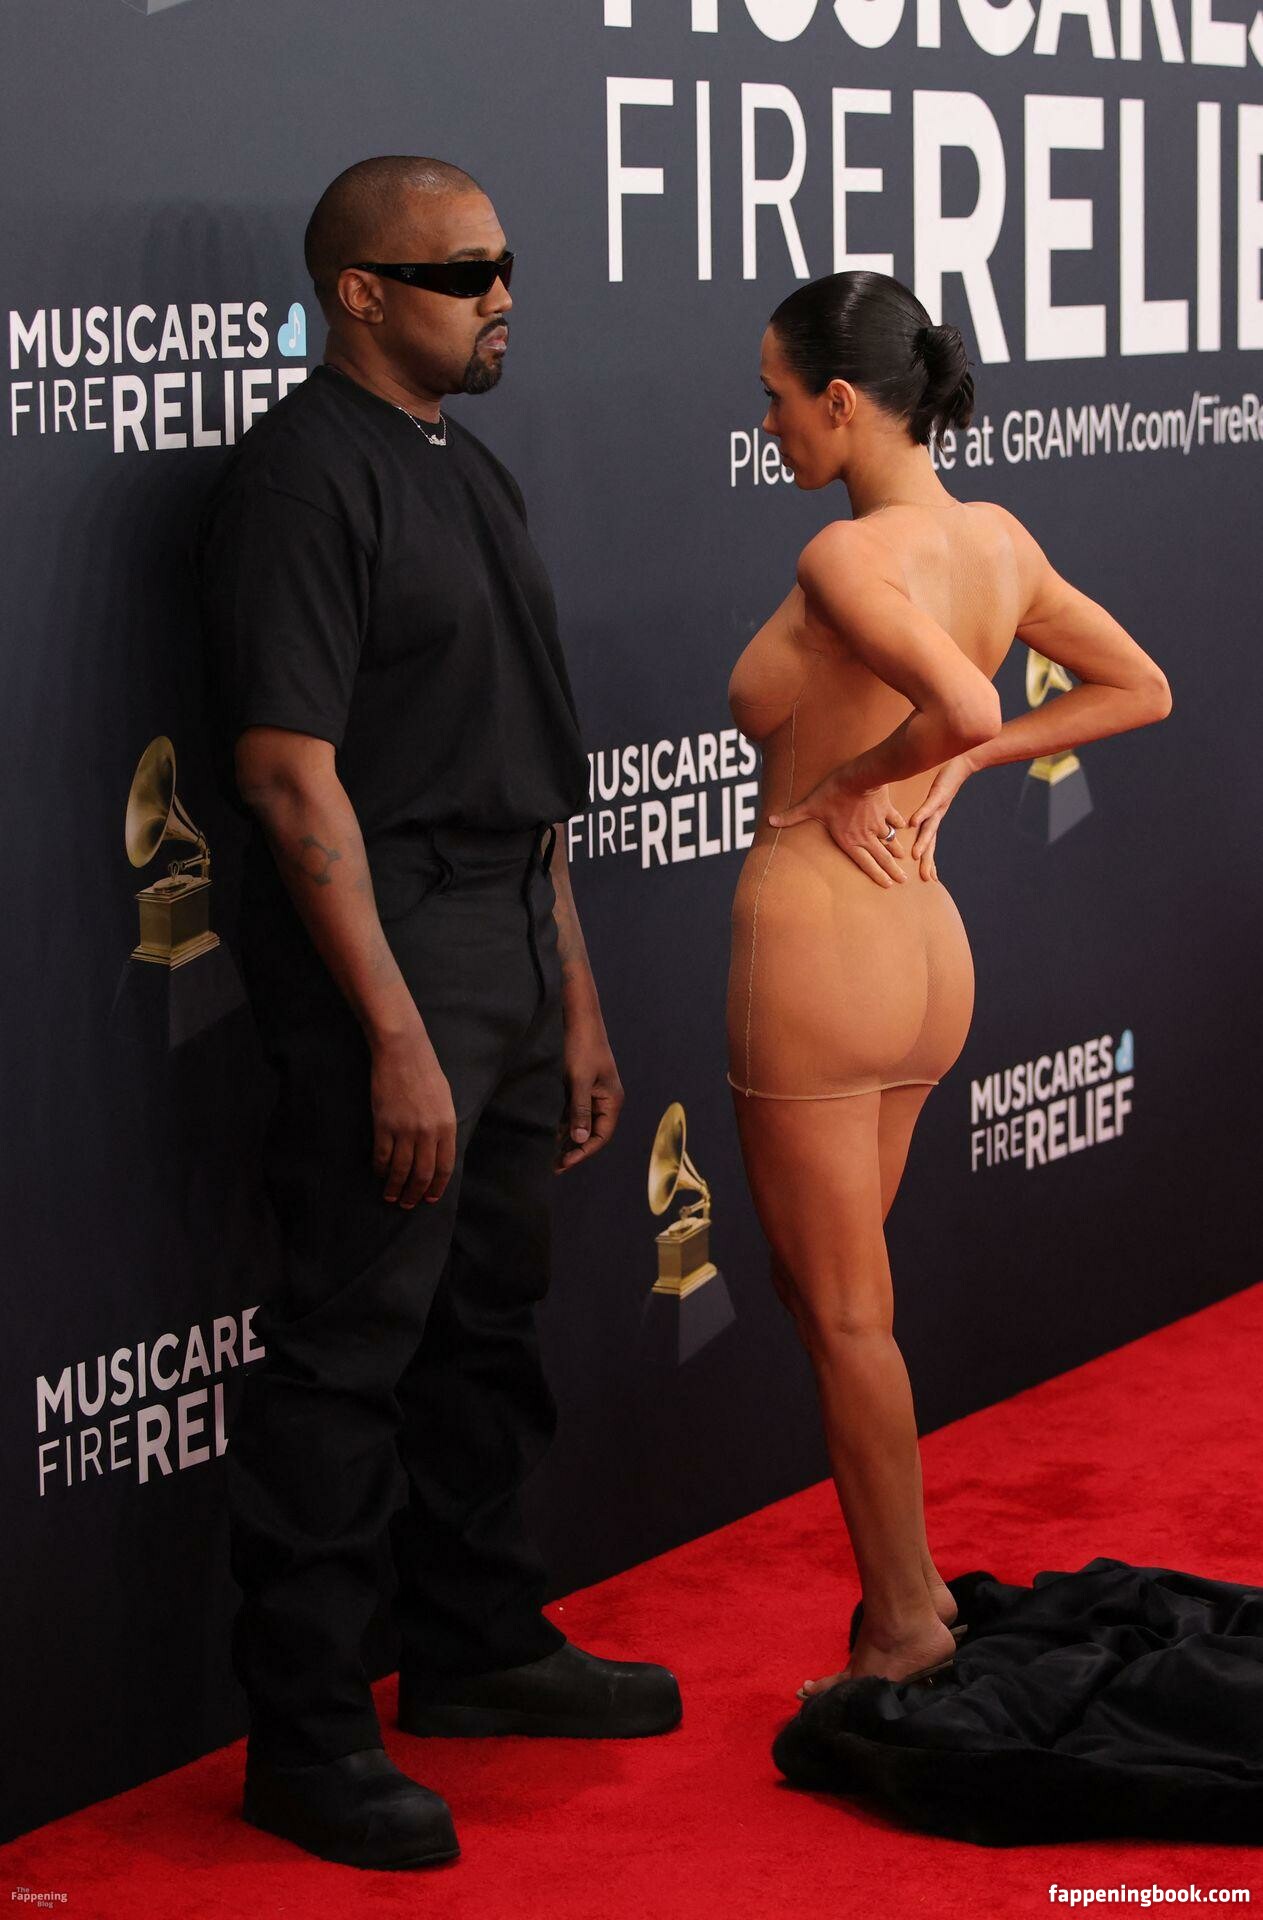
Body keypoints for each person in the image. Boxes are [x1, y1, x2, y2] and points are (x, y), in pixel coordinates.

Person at [194, 155, 681, 1874]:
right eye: (464, 272)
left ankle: (474, 1644)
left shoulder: (471, 470)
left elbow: (522, 774)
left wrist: (573, 999)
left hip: (510, 945)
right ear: (360, 294)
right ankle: (309, 1738)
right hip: (385, 954)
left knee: (488, 1322)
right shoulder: (298, 479)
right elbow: (286, 774)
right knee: (351, 1350)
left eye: (504, 265)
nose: (501, 297)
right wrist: (397, 1031)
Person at [725, 270, 1171, 1703]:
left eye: (776, 400)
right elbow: (1136, 687)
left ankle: (904, 1627)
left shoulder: (847, 556)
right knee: (838, 1299)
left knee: (844, 1316)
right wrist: (961, 769)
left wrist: (866, 776)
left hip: (820, 944)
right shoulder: (996, 540)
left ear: (840, 402)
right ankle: (906, 1600)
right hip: (924, 951)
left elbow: (966, 706)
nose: (768, 426)